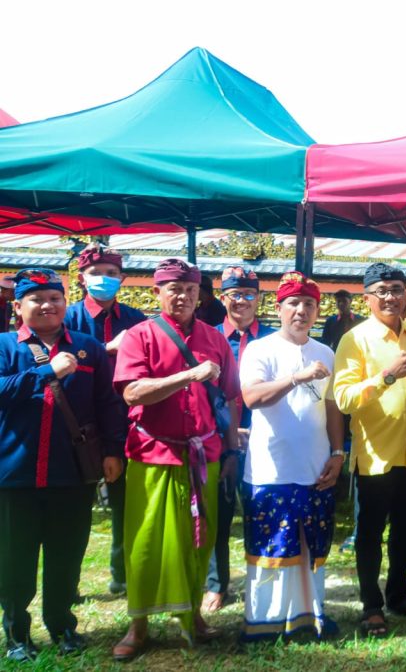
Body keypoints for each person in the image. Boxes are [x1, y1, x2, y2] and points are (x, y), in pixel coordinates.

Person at [111, 258, 241, 661]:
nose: (182, 296)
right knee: (146, 542)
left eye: (190, 289)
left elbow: (231, 397)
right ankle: (139, 625)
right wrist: (186, 376)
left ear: (199, 295)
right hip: (154, 453)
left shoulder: (214, 338)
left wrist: (233, 447)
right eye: (173, 288)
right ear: (157, 292)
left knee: (198, 540)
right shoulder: (139, 336)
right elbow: (132, 393)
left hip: (205, 454)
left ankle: (193, 619)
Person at [0, 268, 125, 662]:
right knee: (14, 557)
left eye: (55, 298)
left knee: (67, 553)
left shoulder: (88, 348)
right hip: (14, 473)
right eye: (37, 299)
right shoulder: (5, 346)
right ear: (18, 307)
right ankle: (17, 632)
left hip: (73, 473)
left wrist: (113, 451)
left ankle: (62, 625)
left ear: (64, 303)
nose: (47, 305)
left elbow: (109, 403)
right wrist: (45, 372)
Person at [237, 272, 345, 641]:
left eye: (309, 304)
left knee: (311, 543)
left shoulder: (325, 352)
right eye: (293, 303)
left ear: (317, 311)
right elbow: (252, 398)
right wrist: (297, 378)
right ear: (278, 308)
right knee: (272, 545)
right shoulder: (259, 349)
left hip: (315, 465)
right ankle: (264, 622)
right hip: (272, 468)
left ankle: (309, 616)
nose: (301, 310)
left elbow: (332, 409)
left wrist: (338, 452)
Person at [333, 263, 406, 638]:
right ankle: (371, 605)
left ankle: (398, 594)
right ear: (367, 298)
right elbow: (343, 399)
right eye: (382, 290)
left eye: (397, 289)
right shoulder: (355, 340)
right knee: (370, 535)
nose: (391, 296)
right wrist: (386, 376)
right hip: (376, 456)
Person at [63, 243, 147, 596]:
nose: (104, 279)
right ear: (82, 278)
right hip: (76, 424)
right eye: (97, 273)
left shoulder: (136, 320)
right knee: (73, 509)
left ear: (122, 279)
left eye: (112, 274)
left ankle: (122, 573)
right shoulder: (66, 318)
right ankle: (67, 585)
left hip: (125, 422)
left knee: (125, 504)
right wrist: (108, 349)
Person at [202, 266, 276, 614]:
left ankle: (261, 580)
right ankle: (216, 584)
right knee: (217, 511)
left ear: (259, 299)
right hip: (218, 439)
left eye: (249, 295)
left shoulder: (275, 340)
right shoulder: (208, 336)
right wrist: (230, 432)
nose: (242, 302)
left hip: (266, 440)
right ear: (223, 299)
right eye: (235, 295)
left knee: (260, 512)